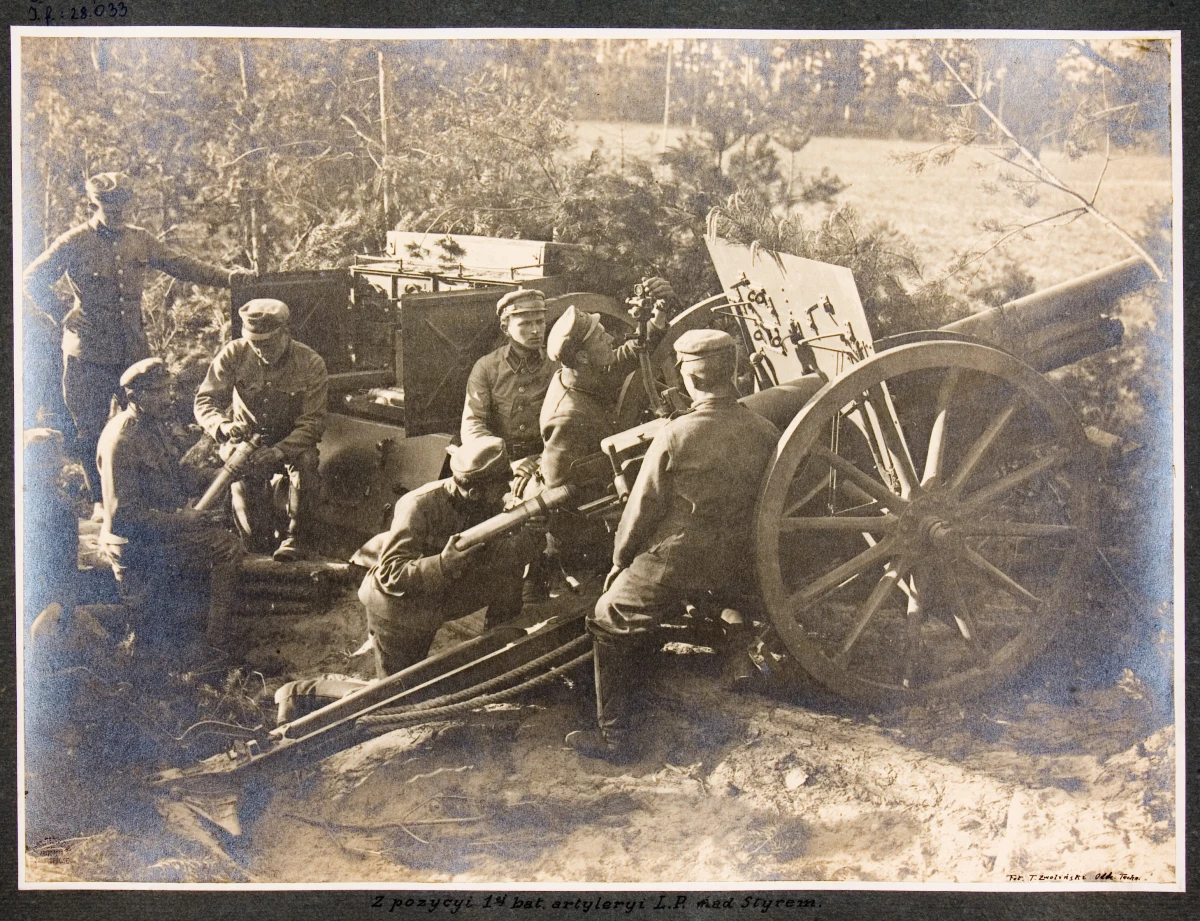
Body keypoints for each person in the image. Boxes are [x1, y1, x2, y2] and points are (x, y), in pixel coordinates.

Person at [566, 330, 781, 763]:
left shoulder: (675, 436)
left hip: (680, 559)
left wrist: (619, 563)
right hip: (740, 561)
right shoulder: (765, 431)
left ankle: (615, 738)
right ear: (733, 373)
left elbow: (640, 512)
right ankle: (733, 643)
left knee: (607, 619)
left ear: (689, 379)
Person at [22, 172, 248, 516]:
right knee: (90, 428)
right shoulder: (75, 241)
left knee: (148, 424)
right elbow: (32, 278)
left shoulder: (140, 240)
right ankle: (101, 501)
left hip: (132, 353)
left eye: (122, 208)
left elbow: (181, 265)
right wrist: (62, 312)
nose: (117, 215)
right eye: (108, 208)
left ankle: (153, 501)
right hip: (89, 353)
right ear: (92, 205)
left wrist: (228, 278)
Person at [350, 436, 541, 679]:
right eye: (503, 482)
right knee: (399, 690)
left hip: (437, 596)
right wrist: (442, 564)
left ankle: (497, 654)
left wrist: (533, 536)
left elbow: (498, 555)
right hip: (396, 607)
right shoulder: (419, 506)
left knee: (508, 576)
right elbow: (390, 573)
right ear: (474, 492)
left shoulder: (482, 501)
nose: (507, 488)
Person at [95, 358, 241, 648]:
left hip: (156, 534)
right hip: (136, 546)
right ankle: (216, 646)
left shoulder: (152, 425)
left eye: (168, 389)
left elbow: (173, 476)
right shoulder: (123, 439)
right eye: (158, 392)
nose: (168, 398)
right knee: (227, 547)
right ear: (134, 397)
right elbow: (124, 516)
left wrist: (218, 475)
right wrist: (183, 521)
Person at [193, 298, 328, 562]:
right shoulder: (234, 354)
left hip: (289, 444)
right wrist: (224, 426)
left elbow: (312, 423)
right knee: (255, 540)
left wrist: (279, 451)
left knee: (307, 460)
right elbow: (205, 400)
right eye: (255, 343)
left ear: (285, 333)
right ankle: (256, 538)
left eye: (267, 343)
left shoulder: (310, 363)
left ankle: (296, 537)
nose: (260, 350)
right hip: (244, 446)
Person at [539, 276, 675, 490]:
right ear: (583, 356)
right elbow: (558, 488)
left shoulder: (583, 373)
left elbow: (629, 353)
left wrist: (661, 310)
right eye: (602, 339)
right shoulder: (567, 416)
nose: (611, 339)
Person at [461, 288, 556, 465]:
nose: (536, 330)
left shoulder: (555, 365)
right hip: (500, 465)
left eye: (540, 322)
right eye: (525, 324)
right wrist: (506, 463)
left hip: (546, 461)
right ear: (506, 329)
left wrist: (544, 460)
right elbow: (473, 426)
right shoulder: (486, 367)